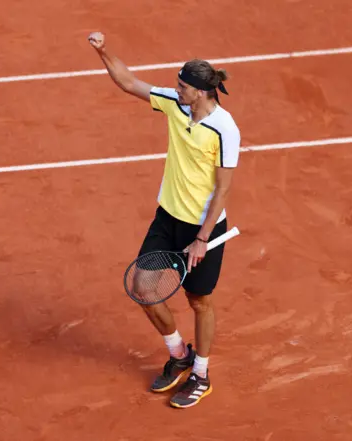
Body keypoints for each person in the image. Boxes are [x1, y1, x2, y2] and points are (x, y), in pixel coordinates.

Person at [88, 31, 241, 408]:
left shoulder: (225, 130)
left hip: (202, 228)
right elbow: (128, 82)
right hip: (167, 218)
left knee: (198, 300)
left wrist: (203, 238)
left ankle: (201, 375)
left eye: (183, 86)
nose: (176, 89)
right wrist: (104, 51)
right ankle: (178, 355)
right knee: (143, 287)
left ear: (202, 92)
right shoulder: (175, 104)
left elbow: (222, 190)